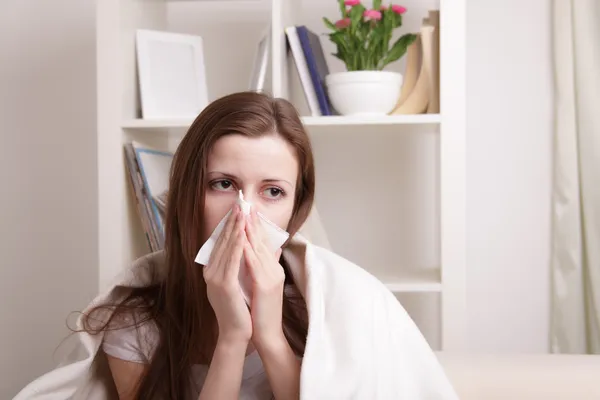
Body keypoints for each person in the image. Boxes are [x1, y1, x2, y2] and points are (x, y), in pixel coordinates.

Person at [13, 91, 458, 400]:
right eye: (224, 184)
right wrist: (233, 336)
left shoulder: (332, 307)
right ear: (189, 192)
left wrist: (268, 335)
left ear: (295, 208)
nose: (245, 211)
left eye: (273, 191)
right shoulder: (136, 320)